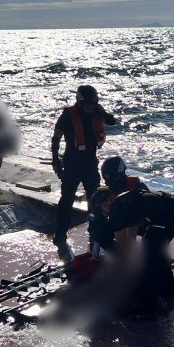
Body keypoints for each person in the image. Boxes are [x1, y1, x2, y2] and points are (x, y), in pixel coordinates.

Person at [88, 156, 174, 317]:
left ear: (107, 203)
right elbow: (129, 237)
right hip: (172, 210)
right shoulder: (121, 203)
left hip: (173, 213)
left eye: (102, 208)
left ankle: (148, 308)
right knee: (153, 251)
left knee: (150, 254)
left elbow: (125, 249)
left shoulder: (117, 210)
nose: (103, 212)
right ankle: (169, 294)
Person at [50, 84, 117, 247]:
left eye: (92, 105)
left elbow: (112, 121)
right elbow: (56, 138)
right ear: (79, 103)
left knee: (94, 199)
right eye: (87, 105)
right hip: (72, 164)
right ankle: (60, 234)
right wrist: (56, 161)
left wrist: (102, 112)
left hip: (89, 163)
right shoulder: (68, 115)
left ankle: (95, 230)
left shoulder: (96, 113)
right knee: (66, 200)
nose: (90, 108)